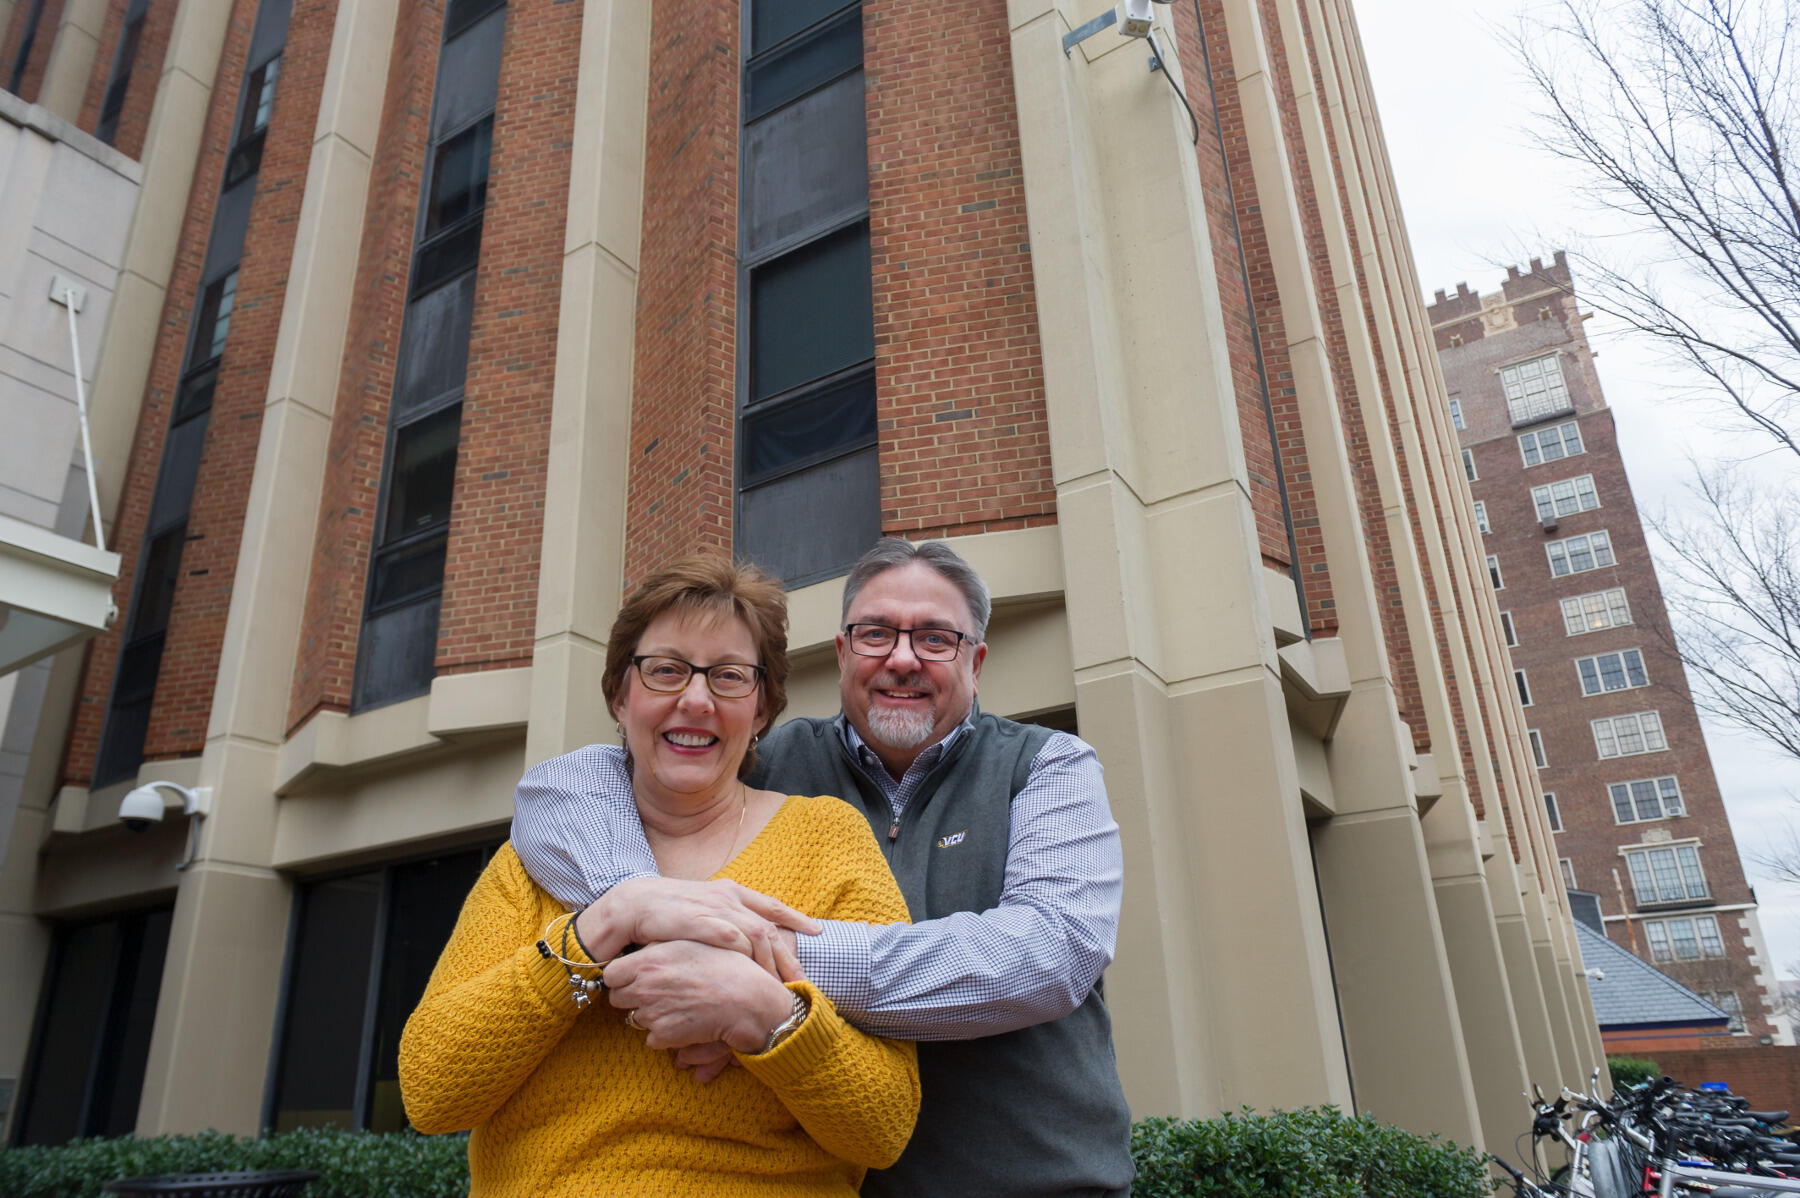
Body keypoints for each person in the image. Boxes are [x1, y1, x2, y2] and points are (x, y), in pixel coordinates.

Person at [512, 538, 1134, 1198]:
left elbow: (1051, 952)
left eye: (934, 638)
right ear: (842, 652)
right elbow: (562, 791)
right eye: (876, 634)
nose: (901, 658)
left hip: (1045, 1186)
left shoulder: (1048, 767)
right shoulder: (769, 763)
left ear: (975, 661)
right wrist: (648, 908)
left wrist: (759, 959)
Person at [399, 555, 919, 1197]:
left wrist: (761, 1012)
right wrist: (606, 923)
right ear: (621, 695)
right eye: (666, 670)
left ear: (761, 709)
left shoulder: (826, 840)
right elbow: (430, 1091)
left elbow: (886, 1128)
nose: (695, 699)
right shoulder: (538, 862)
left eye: (729, 676)